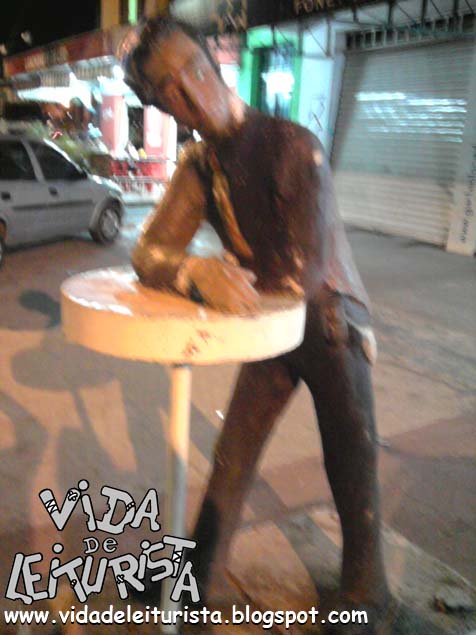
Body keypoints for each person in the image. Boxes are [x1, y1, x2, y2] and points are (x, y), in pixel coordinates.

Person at [120, 15, 391, 633]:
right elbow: (148, 251)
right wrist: (193, 273)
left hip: (331, 322)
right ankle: (200, 572)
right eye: (169, 90)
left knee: (350, 452)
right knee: (233, 452)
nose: (192, 95)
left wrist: (220, 281)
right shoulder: (201, 166)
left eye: (194, 70)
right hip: (267, 326)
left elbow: (304, 272)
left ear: (214, 61)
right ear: (158, 104)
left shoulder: (291, 144)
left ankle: (366, 588)